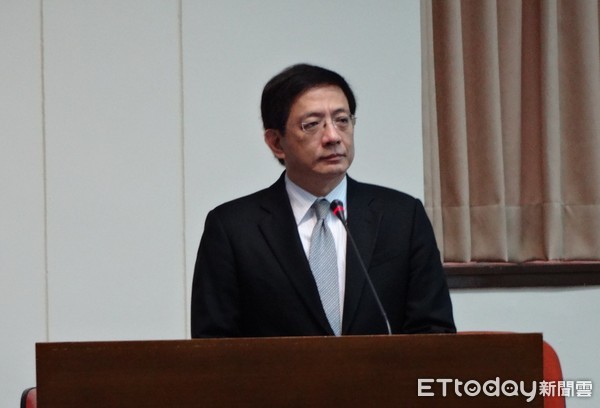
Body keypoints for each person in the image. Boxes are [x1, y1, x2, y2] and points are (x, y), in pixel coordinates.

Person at [191, 63, 455, 337]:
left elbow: (435, 331)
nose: (333, 137)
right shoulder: (233, 228)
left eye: (342, 120)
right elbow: (213, 344)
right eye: (312, 125)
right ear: (276, 143)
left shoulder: (402, 217)